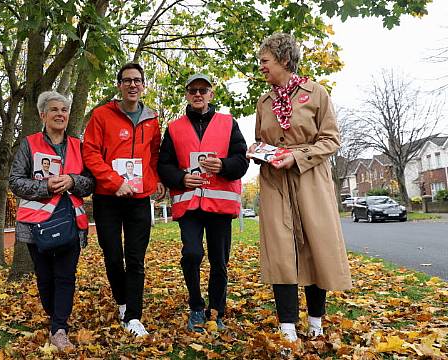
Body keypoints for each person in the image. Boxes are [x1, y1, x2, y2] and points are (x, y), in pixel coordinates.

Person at [250, 33, 352, 342]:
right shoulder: (263, 101)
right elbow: (262, 138)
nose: (261, 67)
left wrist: (296, 156)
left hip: (310, 179)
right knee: (281, 251)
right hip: (274, 183)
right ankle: (287, 328)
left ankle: (316, 322)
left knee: (315, 247)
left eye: (264, 61)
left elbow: (331, 139)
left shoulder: (316, 93)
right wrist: (259, 152)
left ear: (283, 59)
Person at [157, 73, 248, 332]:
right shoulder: (174, 128)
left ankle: (216, 309)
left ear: (211, 94)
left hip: (219, 205)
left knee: (219, 260)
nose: (198, 94)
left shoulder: (228, 123)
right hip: (189, 205)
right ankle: (196, 305)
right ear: (187, 94)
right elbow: (164, 164)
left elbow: (241, 161)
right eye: (193, 90)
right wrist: (181, 178)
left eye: (203, 90)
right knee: (192, 253)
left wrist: (223, 165)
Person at [83, 63, 165, 338]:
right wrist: (115, 182)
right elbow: (90, 154)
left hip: (139, 199)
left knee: (136, 258)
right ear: (119, 85)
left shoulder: (152, 118)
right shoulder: (101, 115)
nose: (133, 85)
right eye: (127, 80)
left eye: (137, 81)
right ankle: (122, 302)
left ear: (143, 86)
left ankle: (133, 316)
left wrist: (152, 183)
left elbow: (154, 155)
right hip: (108, 198)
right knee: (113, 255)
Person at [9, 91, 94, 352]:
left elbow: (91, 181)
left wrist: (72, 180)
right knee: (45, 278)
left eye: (64, 110)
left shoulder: (79, 146)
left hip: (70, 222)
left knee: (65, 276)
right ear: (42, 115)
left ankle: (59, 328)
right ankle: (55, 316)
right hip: (37, 226)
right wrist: (45, 186)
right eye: (55, 110)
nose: (60, 114)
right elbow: (14, 181)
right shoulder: (29, 144)